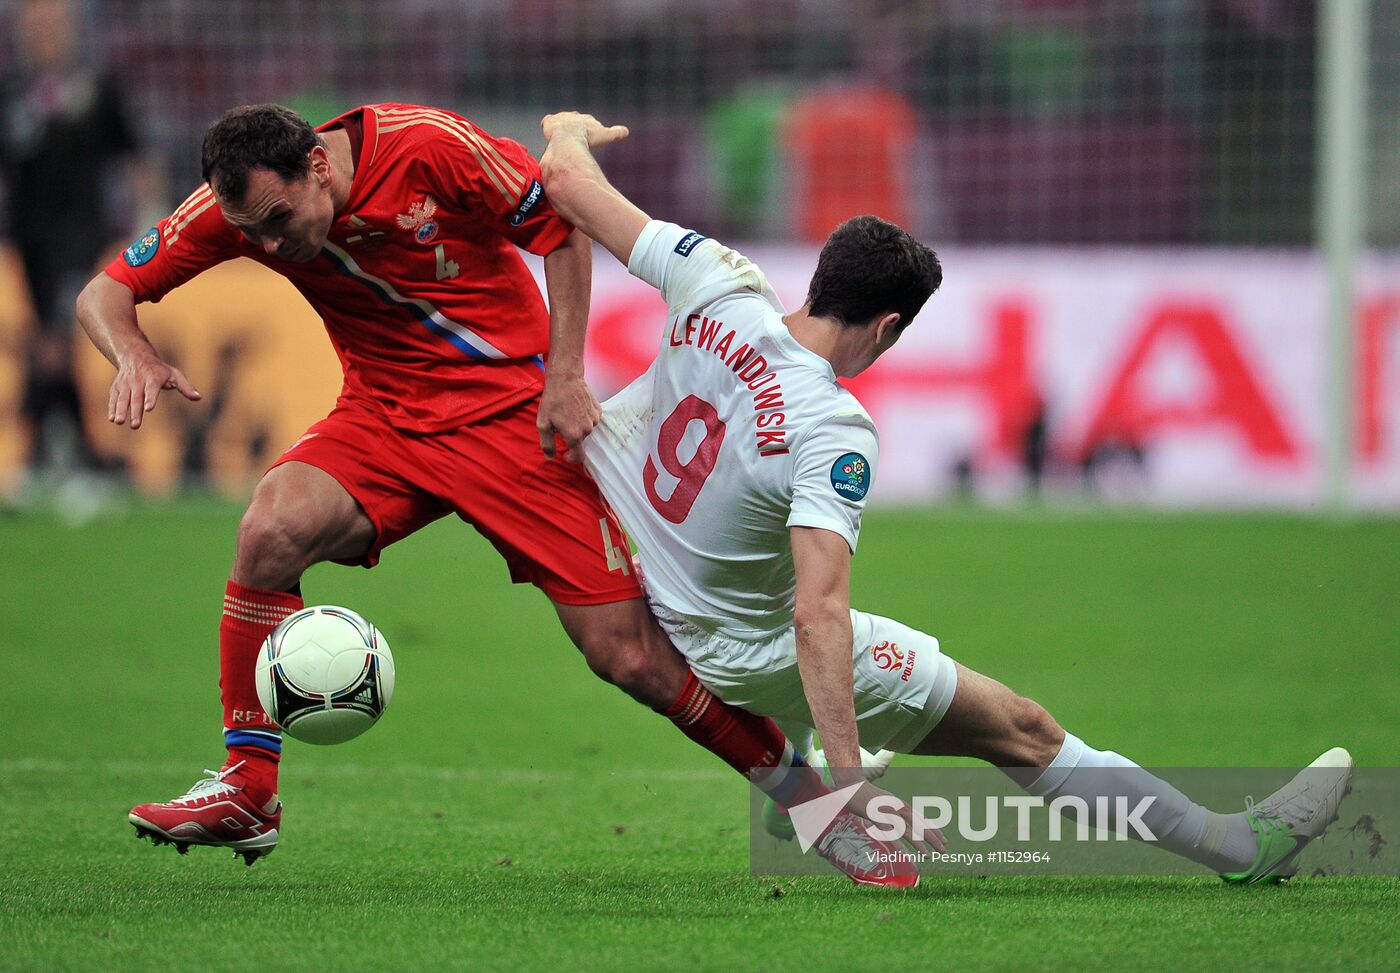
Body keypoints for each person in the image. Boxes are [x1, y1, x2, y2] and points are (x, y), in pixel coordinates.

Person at [77, 102, 912, 884]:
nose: (268, 245)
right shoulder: (241, 210)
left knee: (626, 655)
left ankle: (815, 804)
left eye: (280, 223)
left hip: (510, 415)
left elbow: (561, 225)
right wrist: (135, 354)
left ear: (316, 167)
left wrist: (566, 375)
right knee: (267, 532)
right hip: (385, 415)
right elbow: (104, 293)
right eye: (250, 232)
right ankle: (247, 786)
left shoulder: (429, 147)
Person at [537, 110, 1352, 885]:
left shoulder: (714, 279)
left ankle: (811, 765)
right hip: (740, 649)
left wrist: (568, 131)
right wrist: (848, 784)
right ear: (888, 327)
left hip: (640, 566)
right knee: (1022, 729)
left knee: (806, 600)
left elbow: (566, 182)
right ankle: (1239, 845)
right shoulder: (832, 427)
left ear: (822, 275)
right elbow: (817, 616)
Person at [1, 0, 162, 483]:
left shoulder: (96, 88)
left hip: (81, 234)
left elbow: (136, 155)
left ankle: (58, 452)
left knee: (57, 337)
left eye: (52, 25)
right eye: (35, 27)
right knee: (44, 344)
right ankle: (70, 454)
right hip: (27, 242)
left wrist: (148, 217)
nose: (43, 35)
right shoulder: (10, 95)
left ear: (70, 31)